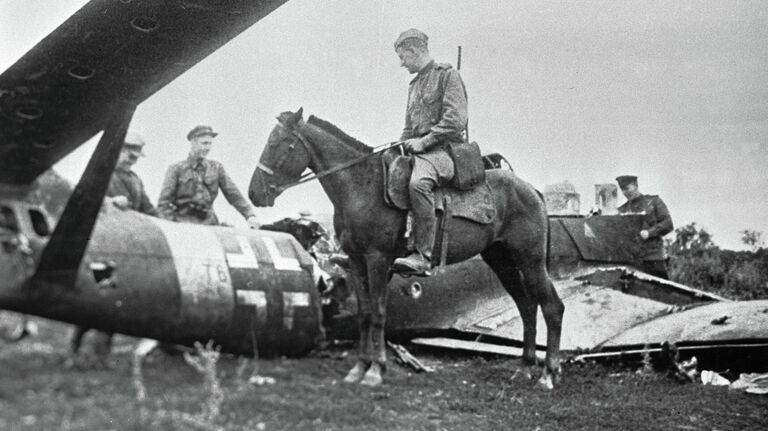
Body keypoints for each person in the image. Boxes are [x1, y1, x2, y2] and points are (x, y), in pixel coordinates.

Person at [69, 132, 157, 366]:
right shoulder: (99, 175)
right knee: (96, 302)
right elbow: (81, 201)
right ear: (116, 150)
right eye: (128, 153)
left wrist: (172, 225)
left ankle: (98, 356)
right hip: (99, 248)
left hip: (127, 251)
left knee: (111, 304)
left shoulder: (135, 180)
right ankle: (79, 351)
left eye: (136, 155)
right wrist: (109, 202)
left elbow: (148, 210)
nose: (132, 158)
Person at [390, 28, 469, 275]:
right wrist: (397, 148)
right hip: (421, 152)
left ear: (414, 51)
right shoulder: (413, 86)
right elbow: (408, 127)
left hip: (446, 152)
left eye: (403, 57)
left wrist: (424, 142)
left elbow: (456, 119)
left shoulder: (447, 76)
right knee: (387, 170)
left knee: (418, 184)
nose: (402, 64)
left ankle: (423, 256)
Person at [157, 125, 259, 228]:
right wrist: (171, 226)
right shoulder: (176, 169)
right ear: (193, 142)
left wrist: (249, 215)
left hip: (210, 225)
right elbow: (163, 204)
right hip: (183, 225)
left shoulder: (216, 168)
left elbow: (233, 194)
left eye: (210, 144)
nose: (208, 148)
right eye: (204, 143)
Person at [616, 175, 674, 279]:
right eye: (622, 189)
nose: (625, 192)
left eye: (627, 188)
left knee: (661, 291)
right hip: (632, 261)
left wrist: (650, 233)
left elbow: (668, 223)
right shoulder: (622, 210)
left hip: (653, 259)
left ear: (636, 185)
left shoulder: (654, 202)